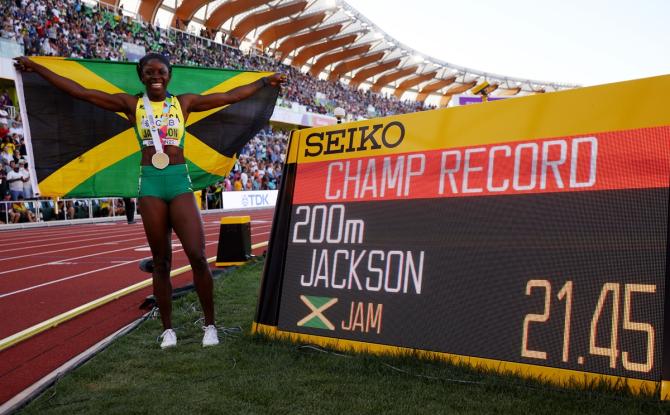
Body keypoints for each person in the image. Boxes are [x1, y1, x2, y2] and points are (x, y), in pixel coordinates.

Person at [15, 53, 285, 349]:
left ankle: (211, 326)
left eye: (161, 71)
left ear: (169, 75)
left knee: (197, 255)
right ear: (141, 76)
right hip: (151, 186)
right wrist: (38, 68)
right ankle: (168, 330)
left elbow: (229, 96)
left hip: (179, 182)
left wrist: (263, 82)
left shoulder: (184, 103)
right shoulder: (132, 105)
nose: (155, 76)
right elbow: (80, 91)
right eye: (149, 72)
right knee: (161, 262)